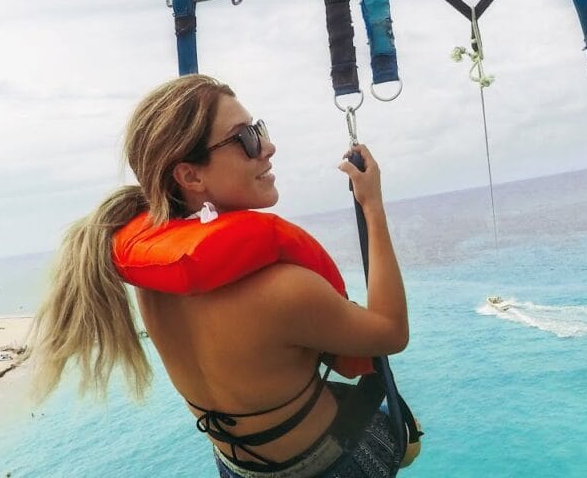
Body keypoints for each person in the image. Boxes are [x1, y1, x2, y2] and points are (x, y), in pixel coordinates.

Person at [28, 74, 418, 478]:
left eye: (259, 130)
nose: (267, 147)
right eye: (245, 139)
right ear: (190, 176)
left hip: (238, 468)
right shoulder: (282, 290)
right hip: (334, 465)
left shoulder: (153, 282)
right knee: (402, 421)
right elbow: (391, 332)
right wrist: (372, 205)